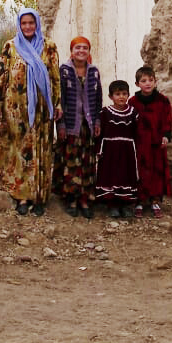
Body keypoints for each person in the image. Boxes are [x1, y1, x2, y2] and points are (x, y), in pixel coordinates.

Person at [0, 9, 61, 217]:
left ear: (37, 24)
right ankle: (21, 195)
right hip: (15, 109)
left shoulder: (48, 46)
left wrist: (57, 104)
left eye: (31, 23)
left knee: (40, 150)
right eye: (24, 23)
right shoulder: (10, 46)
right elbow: (2, 77)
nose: (28, 27)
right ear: (19, 25)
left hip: (41, 108)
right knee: (20, 151)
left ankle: (39, 196)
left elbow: (55, 77)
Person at [54, 36, 102, 219]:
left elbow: (98, 99)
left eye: (85, 48)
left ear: (89, 51)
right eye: (77, 48)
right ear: (71, 51)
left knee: (87, 163)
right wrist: (61, 125)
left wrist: (97, 122)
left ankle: (85, 198)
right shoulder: (64, 71)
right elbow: (60, 100)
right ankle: (71, 199)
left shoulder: (94, 72)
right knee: (71, 163)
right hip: (71, 126)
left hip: (87, 127)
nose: (81, 51)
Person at [128, 65, 172, 219]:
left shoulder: (163, 101)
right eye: (143, 81)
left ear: (155, 82)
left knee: (156, 171)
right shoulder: (133, 101)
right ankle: (139, 201)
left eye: (150, 80)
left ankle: (155, 201)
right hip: (139, 143)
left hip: (156, 143)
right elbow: (129, 121)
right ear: (137, 84)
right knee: (139, 171)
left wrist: (166, 135)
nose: (147, 83)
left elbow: (167, 119)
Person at [95, 80, 140, 218]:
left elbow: (137, 132)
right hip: (110, 151)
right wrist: (99, 149)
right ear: (110, 96)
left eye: (124, 94)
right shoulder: (105, 112)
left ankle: (125, 205)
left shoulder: (133, 113)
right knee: (111, 175)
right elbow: (99, 133)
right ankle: (112, 205)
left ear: (128, 95)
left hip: (127, 151)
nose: (121, 97)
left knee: (126, 175)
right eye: (117, 94)